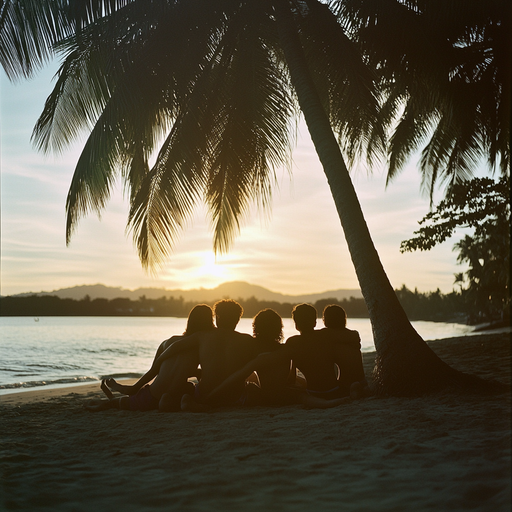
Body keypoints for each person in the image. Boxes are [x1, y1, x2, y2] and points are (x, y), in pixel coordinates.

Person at [84, 304, 215, 412]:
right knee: (190, 387)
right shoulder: (202, 345)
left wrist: (136, 387)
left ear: (190, 321)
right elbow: (206, 372)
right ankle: (172, 402)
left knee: (117, 404)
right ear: (210, 322)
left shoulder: (168, 341)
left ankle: (109, 401)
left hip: (152, 393)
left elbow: (154, 370)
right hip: (175, 395)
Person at [321, 304, 370, 398]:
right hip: (362, 380)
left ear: (326, 319)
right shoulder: (354, 334)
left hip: (345, 382)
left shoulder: (325, 334)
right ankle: (360, 386)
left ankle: (351, 388)